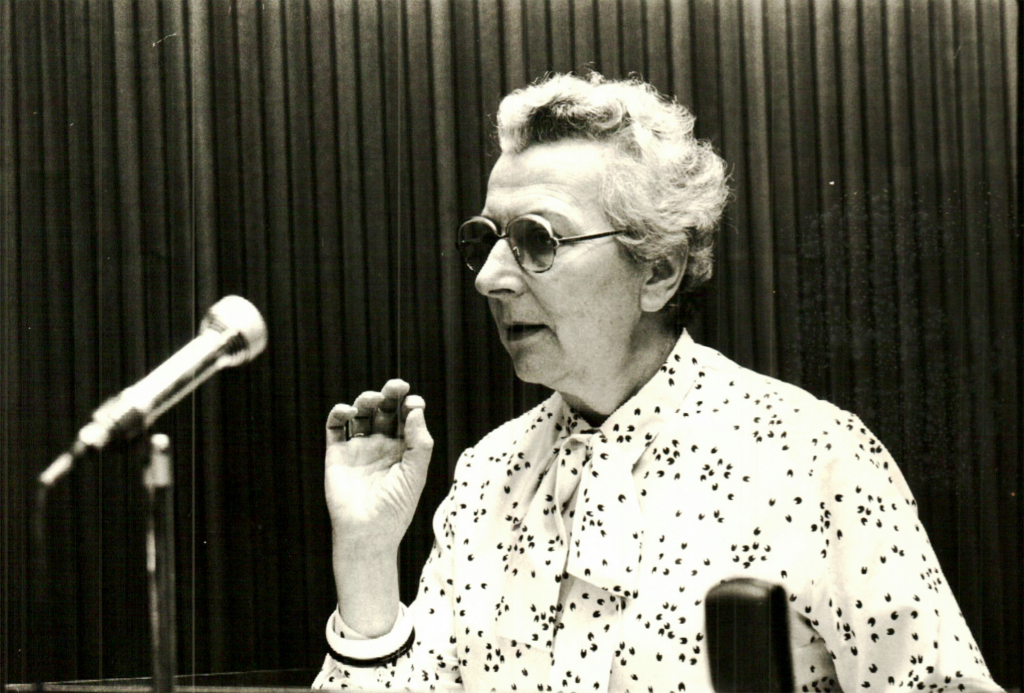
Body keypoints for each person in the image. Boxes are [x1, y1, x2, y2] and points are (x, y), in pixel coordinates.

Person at [312, 73, 1001, 692]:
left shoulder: (814, 457)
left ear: (659, 270)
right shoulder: (487, 473)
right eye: (484, 238)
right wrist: (368, 557)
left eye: (537, 239)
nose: (491, 277)